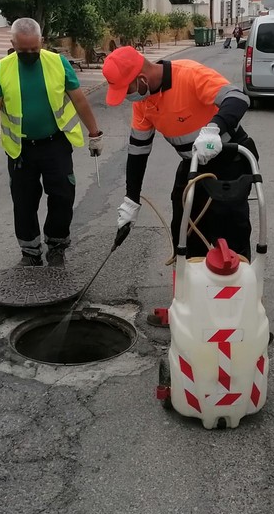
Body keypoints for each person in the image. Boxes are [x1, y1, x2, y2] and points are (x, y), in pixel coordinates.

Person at [103, 46, 258, 325]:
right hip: (193, 163)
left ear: (141, 78)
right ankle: (190, 307)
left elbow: (237, 98)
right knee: (184, 231)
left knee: (228, 233)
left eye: (127, 90)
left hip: (230, 158)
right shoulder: (144, 102)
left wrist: (213, 128)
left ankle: (241, 317)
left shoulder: (189, 74)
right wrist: (131, 200)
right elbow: (138, 152)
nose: (128, 98)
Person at [0, 18, 104, 267]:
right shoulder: (1, 70)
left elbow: (79, 101)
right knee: (23, 202)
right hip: (21, 149)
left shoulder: (58, 63)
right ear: (13, 44)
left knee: (62, 196)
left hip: (55, 144)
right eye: (23, 51)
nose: (29, 54)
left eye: (34, 49)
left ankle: (56, 246)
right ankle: (30, 252)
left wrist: (95, 133)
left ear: (41, 42)